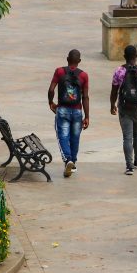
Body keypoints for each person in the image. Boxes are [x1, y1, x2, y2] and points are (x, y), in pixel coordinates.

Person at [110, 45, 137, 176]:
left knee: (127, 137)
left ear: (124, 57)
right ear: (136, 57)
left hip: (124, 107)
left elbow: (114, 91)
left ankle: (129, 167)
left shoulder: (119, 71)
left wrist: (112, 104)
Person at [48, 49, 90, 177]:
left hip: (62, 110)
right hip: (77, 111)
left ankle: (68, 160)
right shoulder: (83, 75)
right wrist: (87, 116)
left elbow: (51, 90)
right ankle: (73, 163)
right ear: (79, 61)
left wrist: (51, 102)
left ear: (67, 59)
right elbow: (85, 97)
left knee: (63, 137)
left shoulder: (59, 71)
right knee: (75, 138)